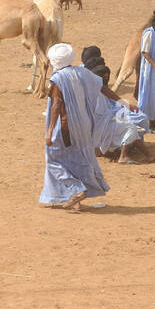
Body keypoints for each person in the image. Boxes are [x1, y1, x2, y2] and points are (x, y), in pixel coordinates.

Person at [40, 44, 113, 212]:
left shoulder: (58, 79)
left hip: (66, 126)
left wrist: (50, 130)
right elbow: (102, 87)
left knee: (52, 159)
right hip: (84, 125)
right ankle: (75, 202)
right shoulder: (82, 72)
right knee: (74, 158)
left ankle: (77, 188)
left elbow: (57, 104)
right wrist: (123, 102)